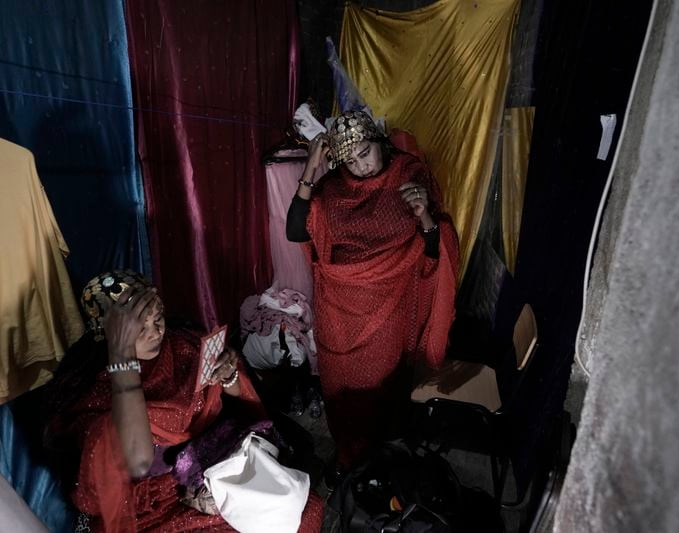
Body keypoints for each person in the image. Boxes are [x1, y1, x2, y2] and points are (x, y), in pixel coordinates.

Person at [44, 270, 323, 532]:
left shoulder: (184, 345)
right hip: (160, 503)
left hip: (215, 466)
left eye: (157, 319)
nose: (155, 333)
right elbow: (138, 462)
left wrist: (229, 378)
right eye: (138, 329)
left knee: (305, 510)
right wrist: (122, 358)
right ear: (111, 335)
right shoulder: (97, 396)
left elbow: (242, 407)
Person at [286, 110, 459, 480]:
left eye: (365, 153)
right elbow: (295, 229)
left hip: (387, 307)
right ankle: (350, 460)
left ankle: (379, 464)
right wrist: (309, 171)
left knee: (377, 392)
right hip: (336, 310)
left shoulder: (409, 174)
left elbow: (433, 246)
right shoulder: (331, 188)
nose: (360, 166)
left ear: (378, 143)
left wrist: (425, 216)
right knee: (340, 390)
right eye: (350, 160)